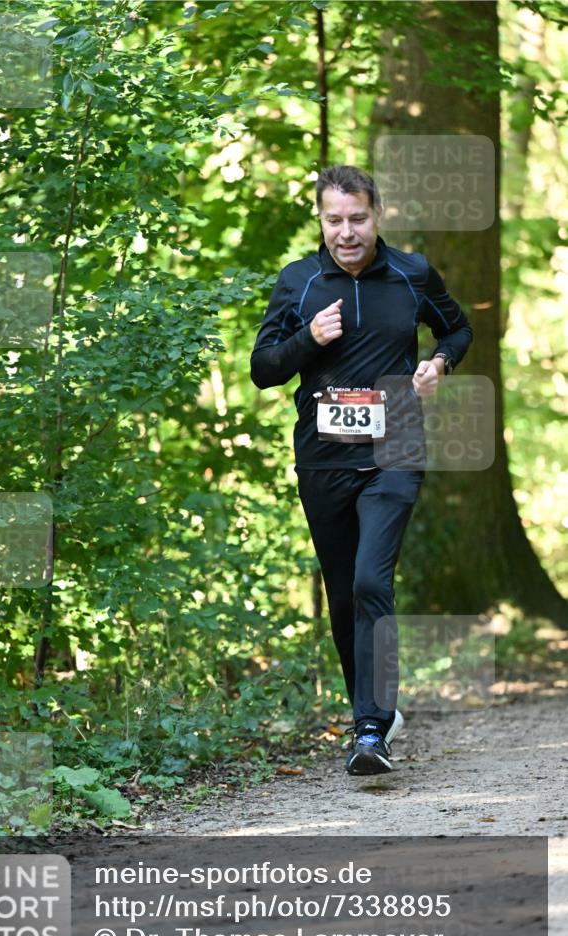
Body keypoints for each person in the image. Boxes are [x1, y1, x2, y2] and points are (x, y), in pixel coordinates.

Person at [250, 165, 472, 775]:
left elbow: (457, 328)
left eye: (358, 219)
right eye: (334, 220)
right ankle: (369, 713)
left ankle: (371, 729)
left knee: (373, 581)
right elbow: (263, 368)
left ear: (377, 215)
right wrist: (308, 341)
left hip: (393, 450)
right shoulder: (298, 282)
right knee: (344, 593)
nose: (347, 233)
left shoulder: (412, 273)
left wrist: (439, 364)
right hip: (322, 458)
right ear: (320, 221)